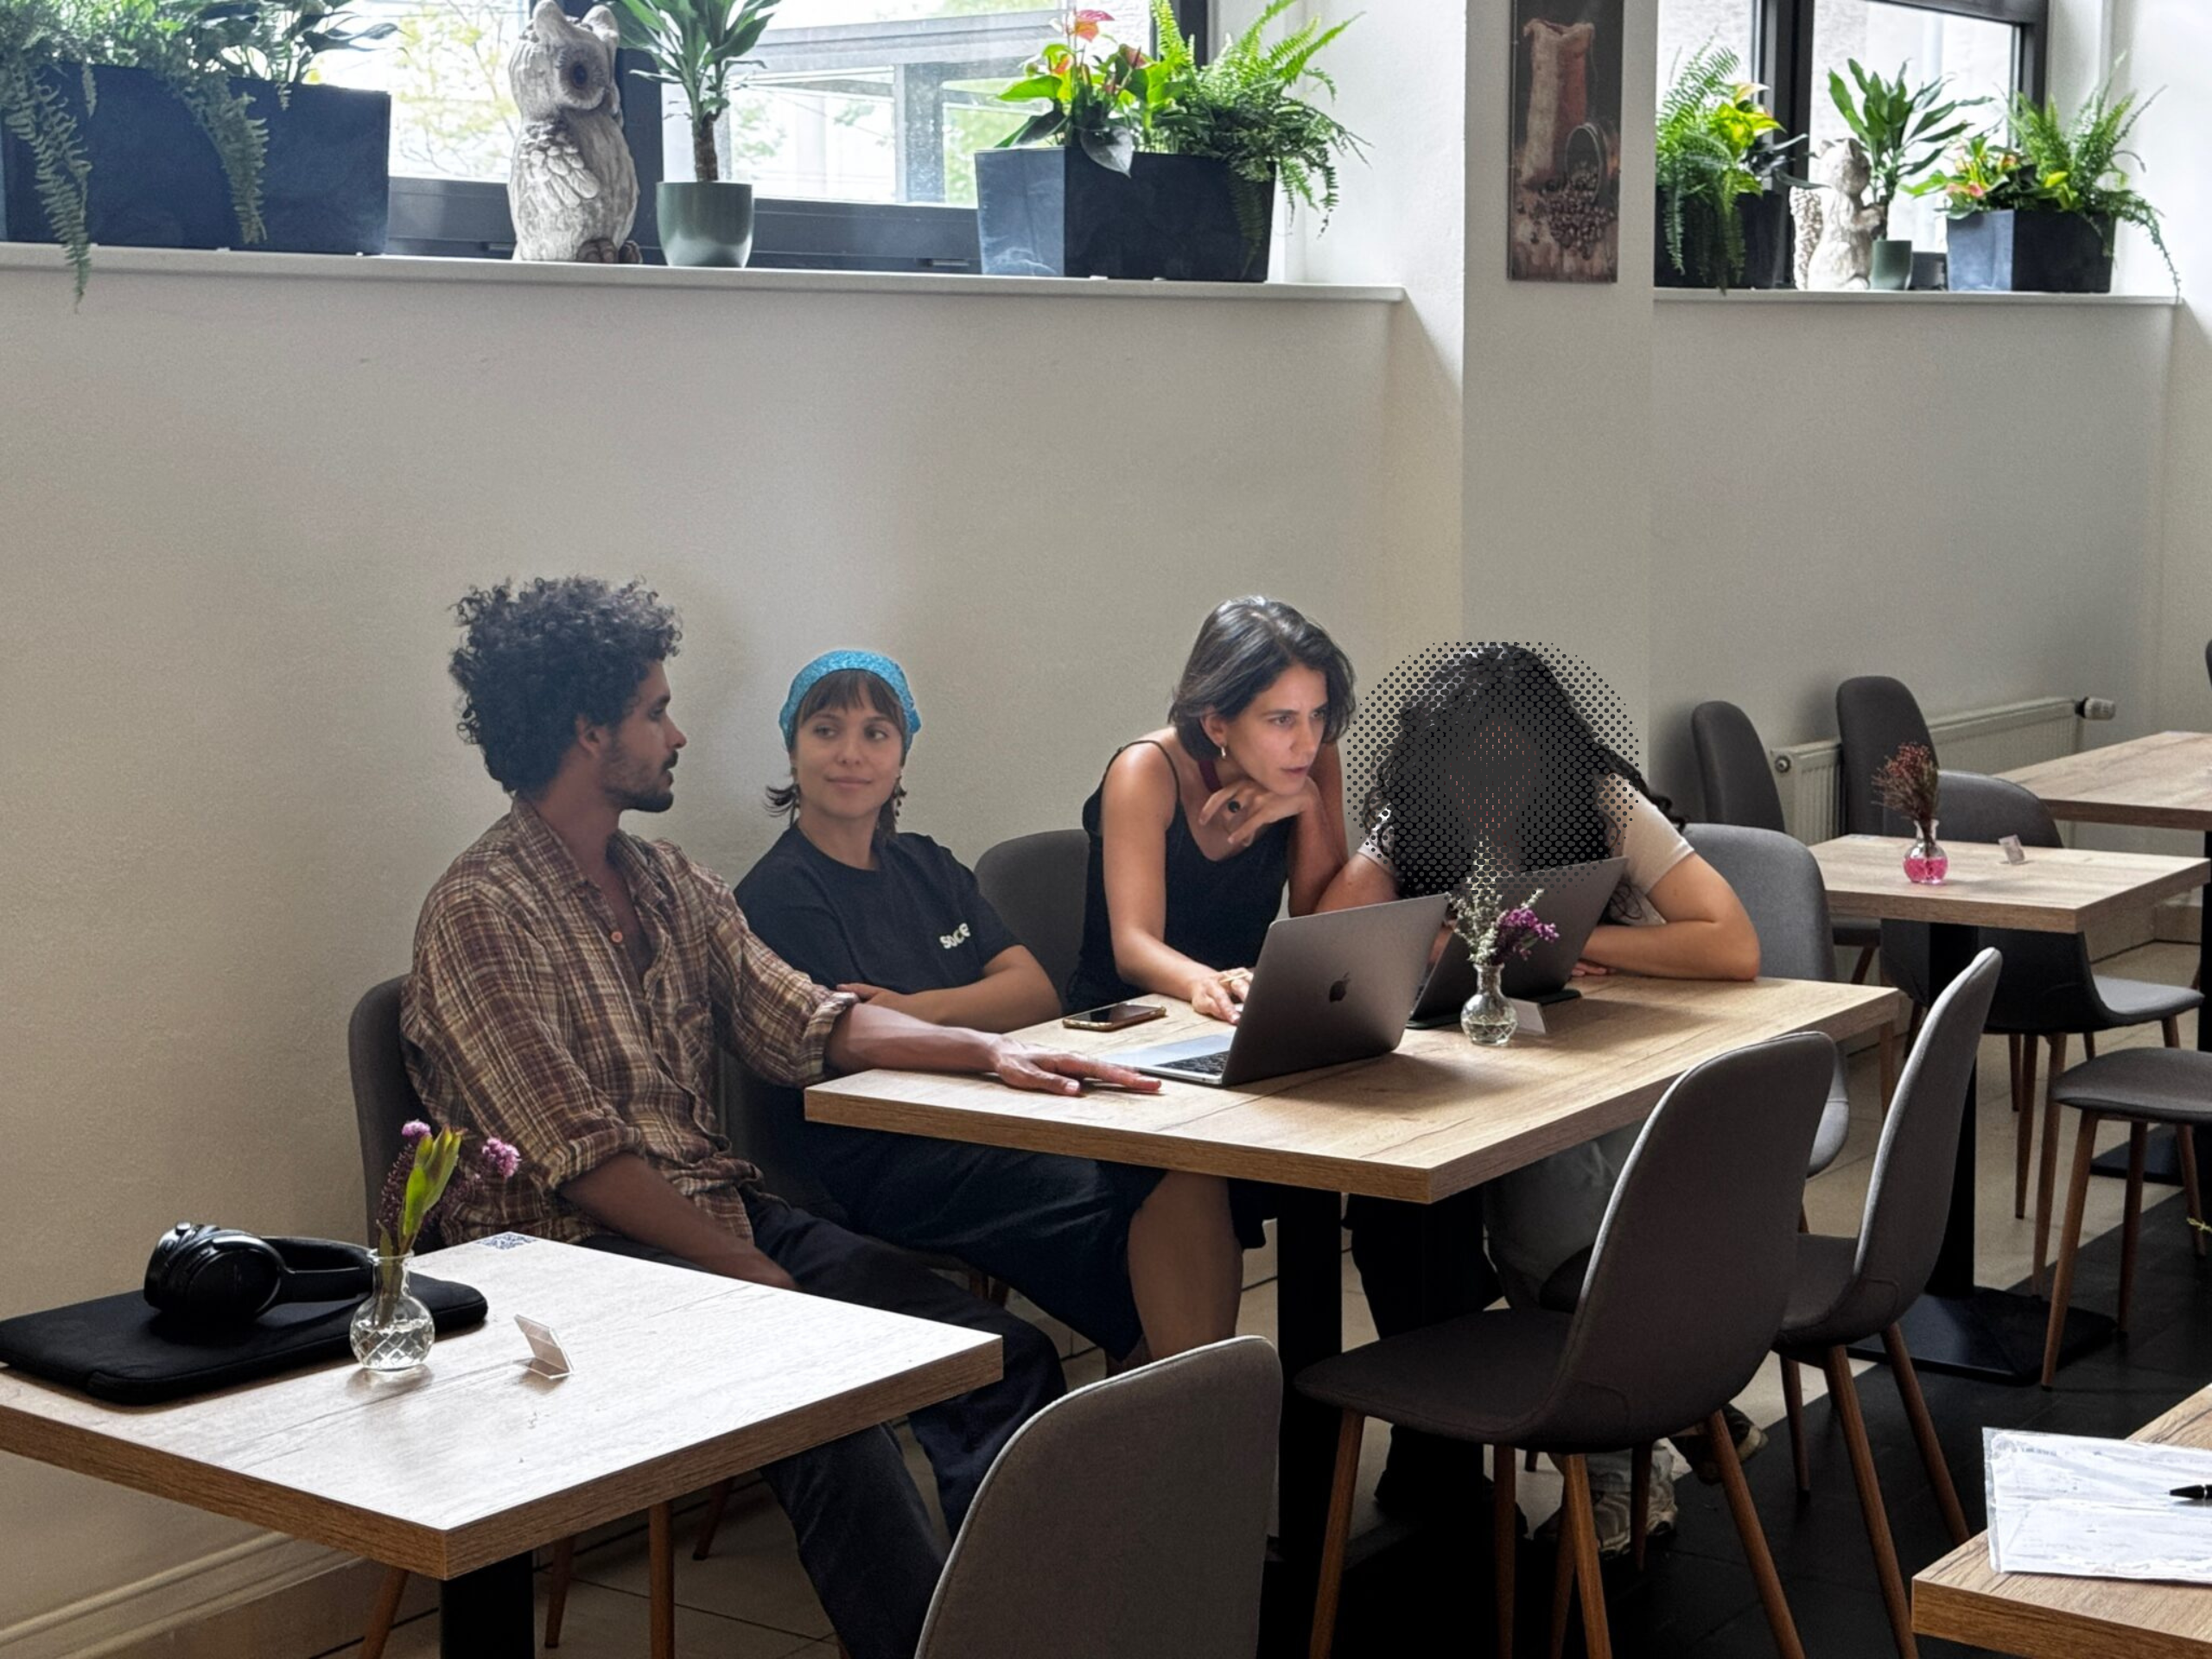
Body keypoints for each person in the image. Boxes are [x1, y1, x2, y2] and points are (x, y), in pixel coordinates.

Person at [402, 578, 1154, 1659]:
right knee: (827, 1404)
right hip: (577, 1268)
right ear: (587, 731)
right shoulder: (479, 912)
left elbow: (810, 1022)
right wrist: (749, 1276)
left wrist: (987, 1048)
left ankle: (1014, 1629)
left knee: (997, 1357)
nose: (678, 734)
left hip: (718, 1224)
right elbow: (580, 1162)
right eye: (656, 710)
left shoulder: (669, 883)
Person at [1319, 642, 1763, 1554]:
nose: (1487, 789)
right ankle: (1661, 1405)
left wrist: (1583, 940)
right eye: (1464, 767)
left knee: (1544, 1218)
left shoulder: (1601, 802)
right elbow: (1332, 941)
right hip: (1488, 1074)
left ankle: (1617, 1473)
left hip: (1617, 1076)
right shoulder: (1417, 815)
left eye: (1509, 765)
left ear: (1547, 754)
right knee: (1411, 1213)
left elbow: (1730, 944)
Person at [735, 649, 1244, 1361]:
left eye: (876, 733)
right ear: (793, 751)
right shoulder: (781, 893)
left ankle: (1189, 1388)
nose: (851, 754)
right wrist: (972, 1013)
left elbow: (1031, 991)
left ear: (902, 759)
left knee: (1176, 1158)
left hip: (998, 1099)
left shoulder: (927, 863)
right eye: (826, 731)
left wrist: (919, 1007)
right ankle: (1169, 1391)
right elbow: (849, 1045)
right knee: (1125, 1194)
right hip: (885, 1149)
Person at [1066, 594, 1356, 1023]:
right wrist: (1209, 983)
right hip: (1125, 1022)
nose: (1307, 740)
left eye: (1317, 714)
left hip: (1245, 1011)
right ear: (1216, 722)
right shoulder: (1145, 771)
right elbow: (1133, 948)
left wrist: (1309, 804)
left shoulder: (1313, 758)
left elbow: (1321, 924)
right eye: (1282, 719)